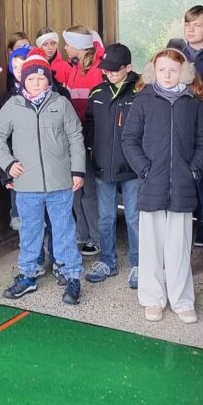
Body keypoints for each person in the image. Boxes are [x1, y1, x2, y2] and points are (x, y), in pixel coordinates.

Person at [0, 53, 85, 305]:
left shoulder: (61, 104)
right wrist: (8, 164)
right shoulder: (14, 105)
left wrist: (77, 170)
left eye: (40, 79)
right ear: (23, 80)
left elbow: (75, 136)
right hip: (27, 185)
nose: (35, 83)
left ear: (48, 80)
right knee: (30, 231)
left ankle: (71, 276)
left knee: (64, 230)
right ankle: (28, 275)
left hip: (59, 183)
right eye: (30, 79)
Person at [121, 47, 203, 324]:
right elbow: (129, 139)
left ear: (184, 72)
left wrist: (193, 170)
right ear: (153, 71)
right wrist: (144, 169)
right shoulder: (143, 100)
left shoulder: (193, 103)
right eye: (162, 70)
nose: (167, 75)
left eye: (173, 70)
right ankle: (153, 299)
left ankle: (182, 300)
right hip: (152, 183)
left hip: (182, 184)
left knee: (179, 247)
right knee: (151, 246)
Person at [168, 5, 203, 294]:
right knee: (177, 207)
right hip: (179, 139)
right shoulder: (174, 57)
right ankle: (176, 264)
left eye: (197, 24)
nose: (190, 30)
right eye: (187, 24)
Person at [83, 43, 140, 289]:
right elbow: (89, 125)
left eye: (115, 69)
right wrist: (92, 150)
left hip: (132, 169)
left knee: (134, 217)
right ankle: (107, 261)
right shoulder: (97, 92)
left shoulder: (141, 92)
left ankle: (139, 264)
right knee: (105, 217)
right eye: (106, 68)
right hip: (103, 167)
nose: (109, 73)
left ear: (129, 67)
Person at [49, 25, 104, 256]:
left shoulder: (96, 70)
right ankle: (82, 233)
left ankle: (96, 236)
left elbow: (95, 109)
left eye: (68, 44)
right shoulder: (75, 68)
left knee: (89, 189)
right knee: (76, 189)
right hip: (73, 136)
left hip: (88, 137)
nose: (64, 48)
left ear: (78, 46)